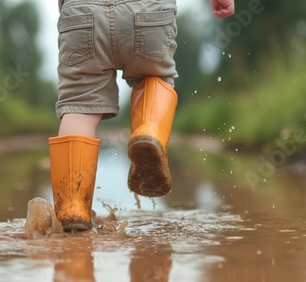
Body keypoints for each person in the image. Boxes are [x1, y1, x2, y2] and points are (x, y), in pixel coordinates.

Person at [50, 0, 235, 231]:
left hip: (82, 13)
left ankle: (72, 207)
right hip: (148, 11)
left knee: (80, 106)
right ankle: (149, 130)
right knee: (154, 78)